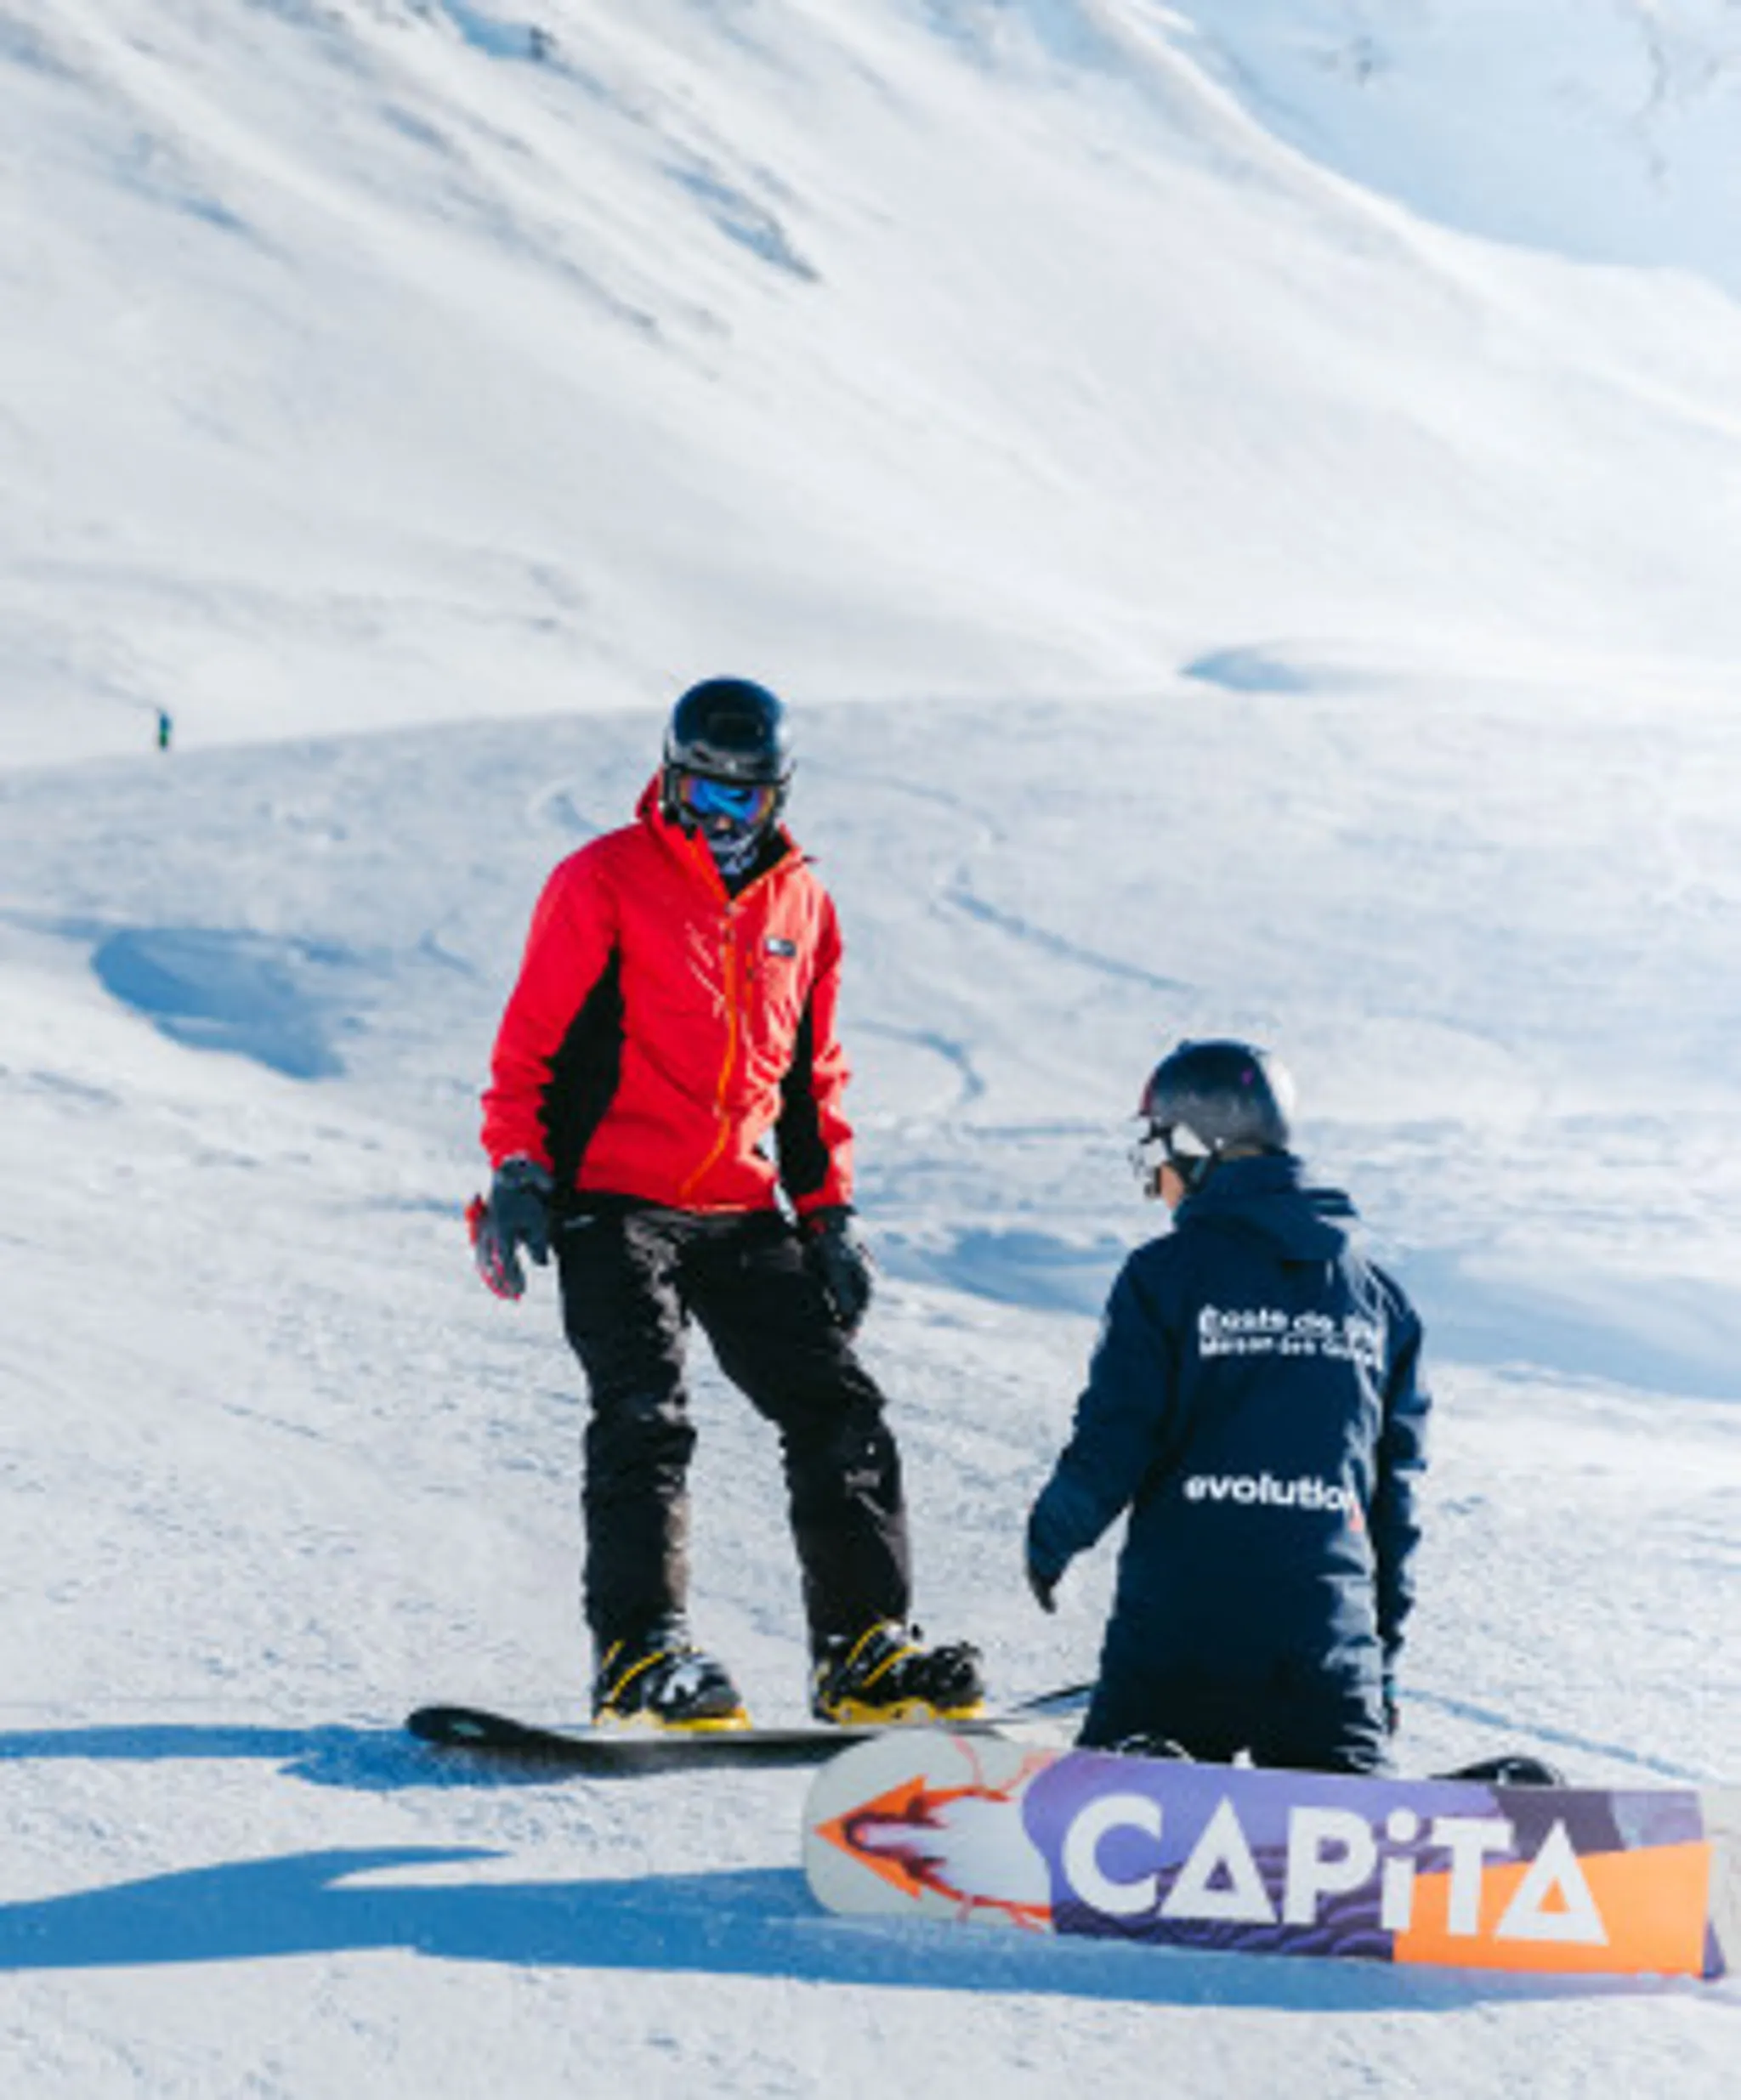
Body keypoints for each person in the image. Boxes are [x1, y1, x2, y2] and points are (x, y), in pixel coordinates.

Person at [469, 676, 984, 1731]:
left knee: (837, 1406)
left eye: (738, 802)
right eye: (696, 791)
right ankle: (638, 1649)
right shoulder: (602, 878)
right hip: (613, 1196)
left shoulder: (803, 903)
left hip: (741, 1204)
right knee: (644, 1410)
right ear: (667, 774)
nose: (713, 817)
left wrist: (828, 1214)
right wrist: (519, 1168)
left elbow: (806, 1077)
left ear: (776, 799)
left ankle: (861, 1652)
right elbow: (529, 1045)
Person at [1025, 1038, 1429, 1772]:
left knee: (1115, 1798)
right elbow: (1392, 1502)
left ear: (1196, 1145)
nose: (1156, 1179)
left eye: (1157, 1152)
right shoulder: (1379, 1299)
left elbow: (1117, 1433)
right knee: (1352, 1831)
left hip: (1182, 1631)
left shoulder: (1165, 1275)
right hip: (1325, 1645)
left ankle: (1139, 1778)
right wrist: (1382, 1661)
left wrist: (1054, 1534)